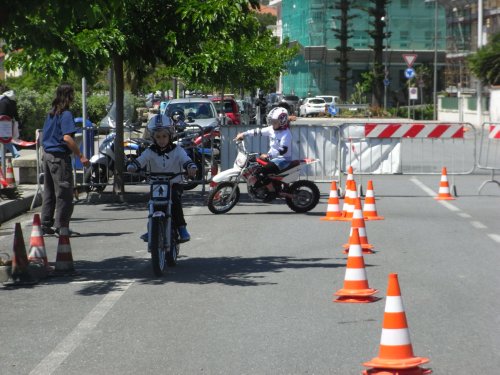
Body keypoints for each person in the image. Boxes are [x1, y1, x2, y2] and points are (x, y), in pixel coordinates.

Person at [127, 119, 197, 242]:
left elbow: (185, 159)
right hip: (156, 184)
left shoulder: (177, 150)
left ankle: (182, 228)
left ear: (170, 136)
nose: (161, 140)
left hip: (174, 183)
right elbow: (141, 160)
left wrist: (191, 167)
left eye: (164, 136)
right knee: (152, 203)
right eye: (158, 137)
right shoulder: (150, 151)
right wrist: (133, 166)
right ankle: (151, 229)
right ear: (153, 138)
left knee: (174, 199)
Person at [41, 84, 90, 236]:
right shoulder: (66, 114)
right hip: (59, 157)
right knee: (64, 193)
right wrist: (80, 155)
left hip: (47, 156)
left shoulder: (51, 113)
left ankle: (45, 224)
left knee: (49, 192)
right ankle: (62, 227)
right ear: (69, 96)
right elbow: (67, 138)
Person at [235, 106, 292, 193]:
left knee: (261, 173)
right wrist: (244, 134)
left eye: (274, 122)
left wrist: (269, 155)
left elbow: (283, 150)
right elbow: (257, 131)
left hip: (282, 160)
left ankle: (272, 191)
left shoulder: (286, 134)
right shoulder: (271, 129)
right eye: (271, 121)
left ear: (282, 121)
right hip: (272, 158)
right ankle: (260, 188)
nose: (272, 123)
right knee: (252, 164)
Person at [0, 87, 22, 159]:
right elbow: (16, 114)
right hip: (9, 123)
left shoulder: (3, 100)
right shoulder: (13, 101)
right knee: (5, 139)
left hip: (2, 122)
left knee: (5, 140)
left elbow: (2, 113)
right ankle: (1, 156)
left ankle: (15, 153)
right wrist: (19, 124)